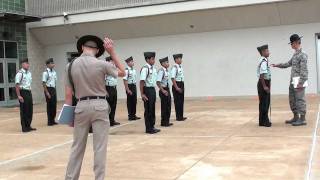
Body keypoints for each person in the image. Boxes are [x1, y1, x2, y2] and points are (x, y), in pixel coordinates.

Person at [64, 35, 125, 180]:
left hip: (80, 107)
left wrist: (68, 117)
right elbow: (123, 72)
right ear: (97, 50)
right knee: (99, 148)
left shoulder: (70, 66)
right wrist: (112, 52)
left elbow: (68, 95)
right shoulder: (101, 64)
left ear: (81, 48)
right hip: (99, 106)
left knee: (77, 147)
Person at [272, 34, 308, 126]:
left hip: (299, 80)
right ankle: (296, 117)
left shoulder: (303, 54)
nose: (291, 45)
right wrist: (277, 65)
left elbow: (304, 69)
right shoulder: (295, 54)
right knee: (292, 99)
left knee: (300, 99)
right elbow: (288, 64)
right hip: (293, 80)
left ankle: (302, 119)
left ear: (296, 42)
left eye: (291, 43)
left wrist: (301, 82)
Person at [140, 52, 161, 134]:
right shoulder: (145, 69)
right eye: (152, 59)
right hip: (147, 90)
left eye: (154, 59)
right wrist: (142, 94)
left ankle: (152, 126)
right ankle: (148, 128)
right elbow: (142, 82)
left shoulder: (153, 69)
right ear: (147, 59)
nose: (154, 60)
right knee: (148, 110)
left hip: (152, 89)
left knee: (152, 109)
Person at [15, 58, 36, 133]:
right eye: (26, 63)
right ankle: (24, 127)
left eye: (28, 63)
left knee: (30, 110)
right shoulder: (20, 73)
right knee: (24, 110)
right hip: (23, 92)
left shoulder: (29, 73)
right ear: (22, 64)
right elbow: (17, 85)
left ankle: (28, 125)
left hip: (28, 92)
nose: (28, 65)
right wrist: (19, 96)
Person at [257, 45, 272, 127]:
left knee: (264, 102)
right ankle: (265, 121)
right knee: (264, 103)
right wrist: (265, 86)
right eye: (267, 51)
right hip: (263, 83)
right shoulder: (263, 61)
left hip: (265, 82)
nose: (269, 52)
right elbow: (262, 74)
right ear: (263, 52)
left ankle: (262, 121)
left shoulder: (265, 60)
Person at [157, 57, 173, 127]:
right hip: (163, 90)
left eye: (168, 62)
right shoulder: (161, 71)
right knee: (164, 107)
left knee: (168, 106)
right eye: (166, 62)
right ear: (162, 63)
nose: (168, 63)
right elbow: (158, 82)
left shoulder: (166, 71)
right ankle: (164, 122)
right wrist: (163, 90)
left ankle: (167, 121)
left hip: (167, 89)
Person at [123, 56, 141, 121]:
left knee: (134, 101)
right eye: (131, 61)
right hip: (129, 86)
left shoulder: (133, 70)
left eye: (132, 61)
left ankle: (133, 115)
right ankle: (130, 115)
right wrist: (127, 89)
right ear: (127, 63)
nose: (133, 62)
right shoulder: (126, 70)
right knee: (130, 101)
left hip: (133, 86)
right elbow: (125, 80)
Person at [171, 54, 187, 121]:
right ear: (176, 60)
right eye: (179, 58)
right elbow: (172, 78)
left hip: (181, 84)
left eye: (181, 58)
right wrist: (176, 87)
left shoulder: (180, 67)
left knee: (181, 101)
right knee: (177, 101)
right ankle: (178, 117)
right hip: (177, 84)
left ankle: (181, 116)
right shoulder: (175, 67)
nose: (180, 60)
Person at [105, 56, 121, 126]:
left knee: (114, 105)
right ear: (109, 61)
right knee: (108, 105)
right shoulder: (105, 69)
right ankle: (107, 121)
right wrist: (105, 90)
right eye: (112, 60)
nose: (114, 62)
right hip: (108, 88)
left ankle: (112, 120)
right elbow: (103, 80)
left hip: (114, 88)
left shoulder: (114, 68)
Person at [42, 58, 58, 126]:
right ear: (48, 65)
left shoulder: (54, 72)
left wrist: (55, 90)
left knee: (54, 105)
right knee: (49, 105)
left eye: (53, 63)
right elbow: (44, 83)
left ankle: (53, 120)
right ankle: (49, 121)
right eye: (51, 63)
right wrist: (47, 92)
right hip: (48, 89)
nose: (53, 64)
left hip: (53, 89)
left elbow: (55, 82)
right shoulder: (45, 73)